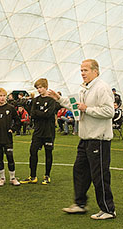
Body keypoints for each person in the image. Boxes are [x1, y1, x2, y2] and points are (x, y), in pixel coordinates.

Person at [48, 59, 116, 220]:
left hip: (98, 139)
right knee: (80, 171)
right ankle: (80, 204)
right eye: (81, 70)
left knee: (99, 175)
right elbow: (76, 107)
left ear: (95, 71)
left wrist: (88, 109)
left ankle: (108, 209)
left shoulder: (101, 88)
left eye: (85, 70)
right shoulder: (84, 89)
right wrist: (59, 99)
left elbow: (109, 112)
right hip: (85, 139)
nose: (82, 73)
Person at [21, 78, 56, 185]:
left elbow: (48, 114)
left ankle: (47, 176)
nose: (39, 90)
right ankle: (33, 176)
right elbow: (32, 113)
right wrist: (41, 113)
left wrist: (39, 113)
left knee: (48, 153)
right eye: (37, 88)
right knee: (33, 152)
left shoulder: (52, 100)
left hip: (48, 132)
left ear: (46, 87)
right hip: (38, 131)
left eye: (41, 87)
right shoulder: (36, 100)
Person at [0, 88, 21, 186]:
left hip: (7, 138)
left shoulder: (10, 108)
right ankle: (2, 178)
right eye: (0, 96)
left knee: (10, 157)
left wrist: (13, 129)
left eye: (4, 96)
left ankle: (12, 178)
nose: (2, 98)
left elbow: (18, 121)